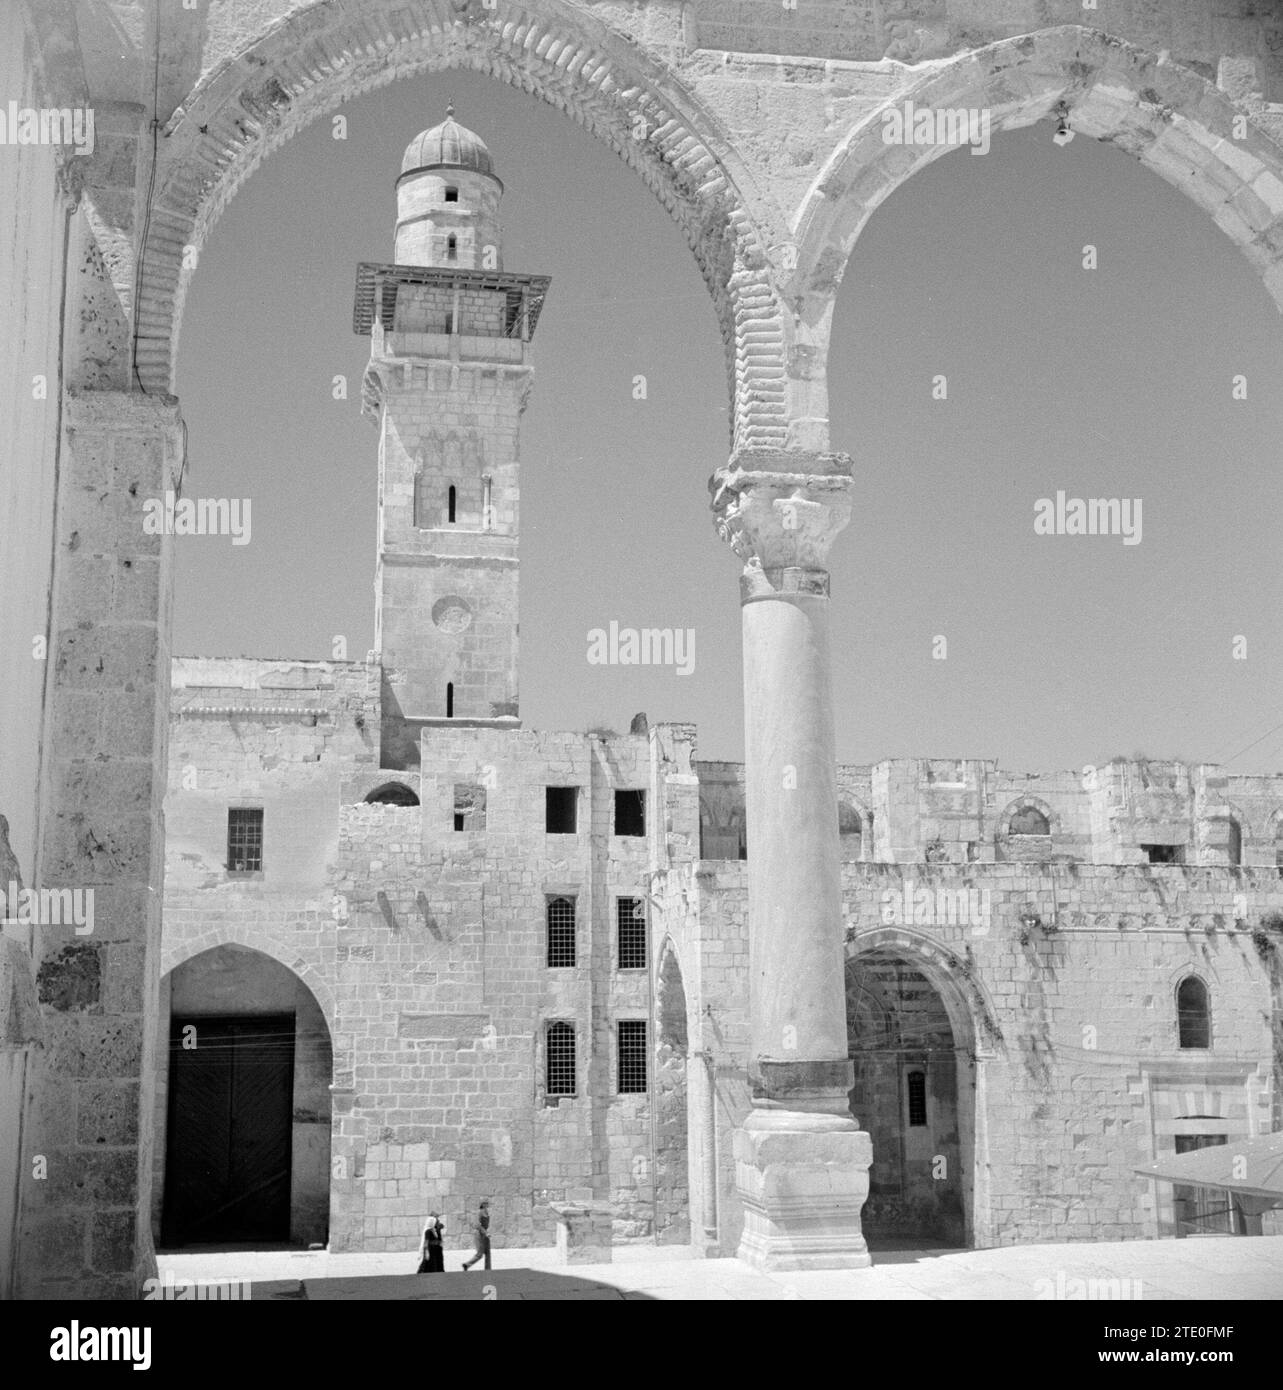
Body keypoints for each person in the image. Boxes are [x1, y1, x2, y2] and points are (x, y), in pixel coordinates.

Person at [461, 1199, 491, 1271]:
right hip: (480, 1234)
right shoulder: (479, 1212)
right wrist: (485, 1233)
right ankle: (467, 1264)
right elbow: (477, 1225)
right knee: (480, 1254)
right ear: (482, 1204)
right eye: (485, 1203)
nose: (487, 1204)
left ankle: (488, 1269)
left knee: (488, 1252)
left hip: (485, 1234)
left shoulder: (486, 1212)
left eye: (487, 1203)